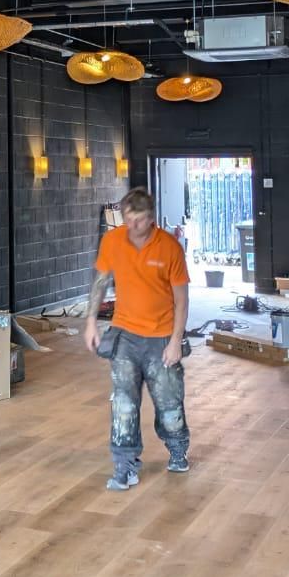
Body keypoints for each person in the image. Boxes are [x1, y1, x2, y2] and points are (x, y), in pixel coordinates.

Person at [83, 187, 190, 489]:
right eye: (129, 219)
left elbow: (182, 300)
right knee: (124, 404)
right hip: (125, 336)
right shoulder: (113, 241)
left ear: (151, 218)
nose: (134, 227)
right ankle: (125, 464)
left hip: (161, 336)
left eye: (140, 220)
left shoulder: (169, 247)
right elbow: (101, 282)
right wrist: (91, 322)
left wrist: (175, 342)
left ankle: (178, 448)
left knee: (169, 404)